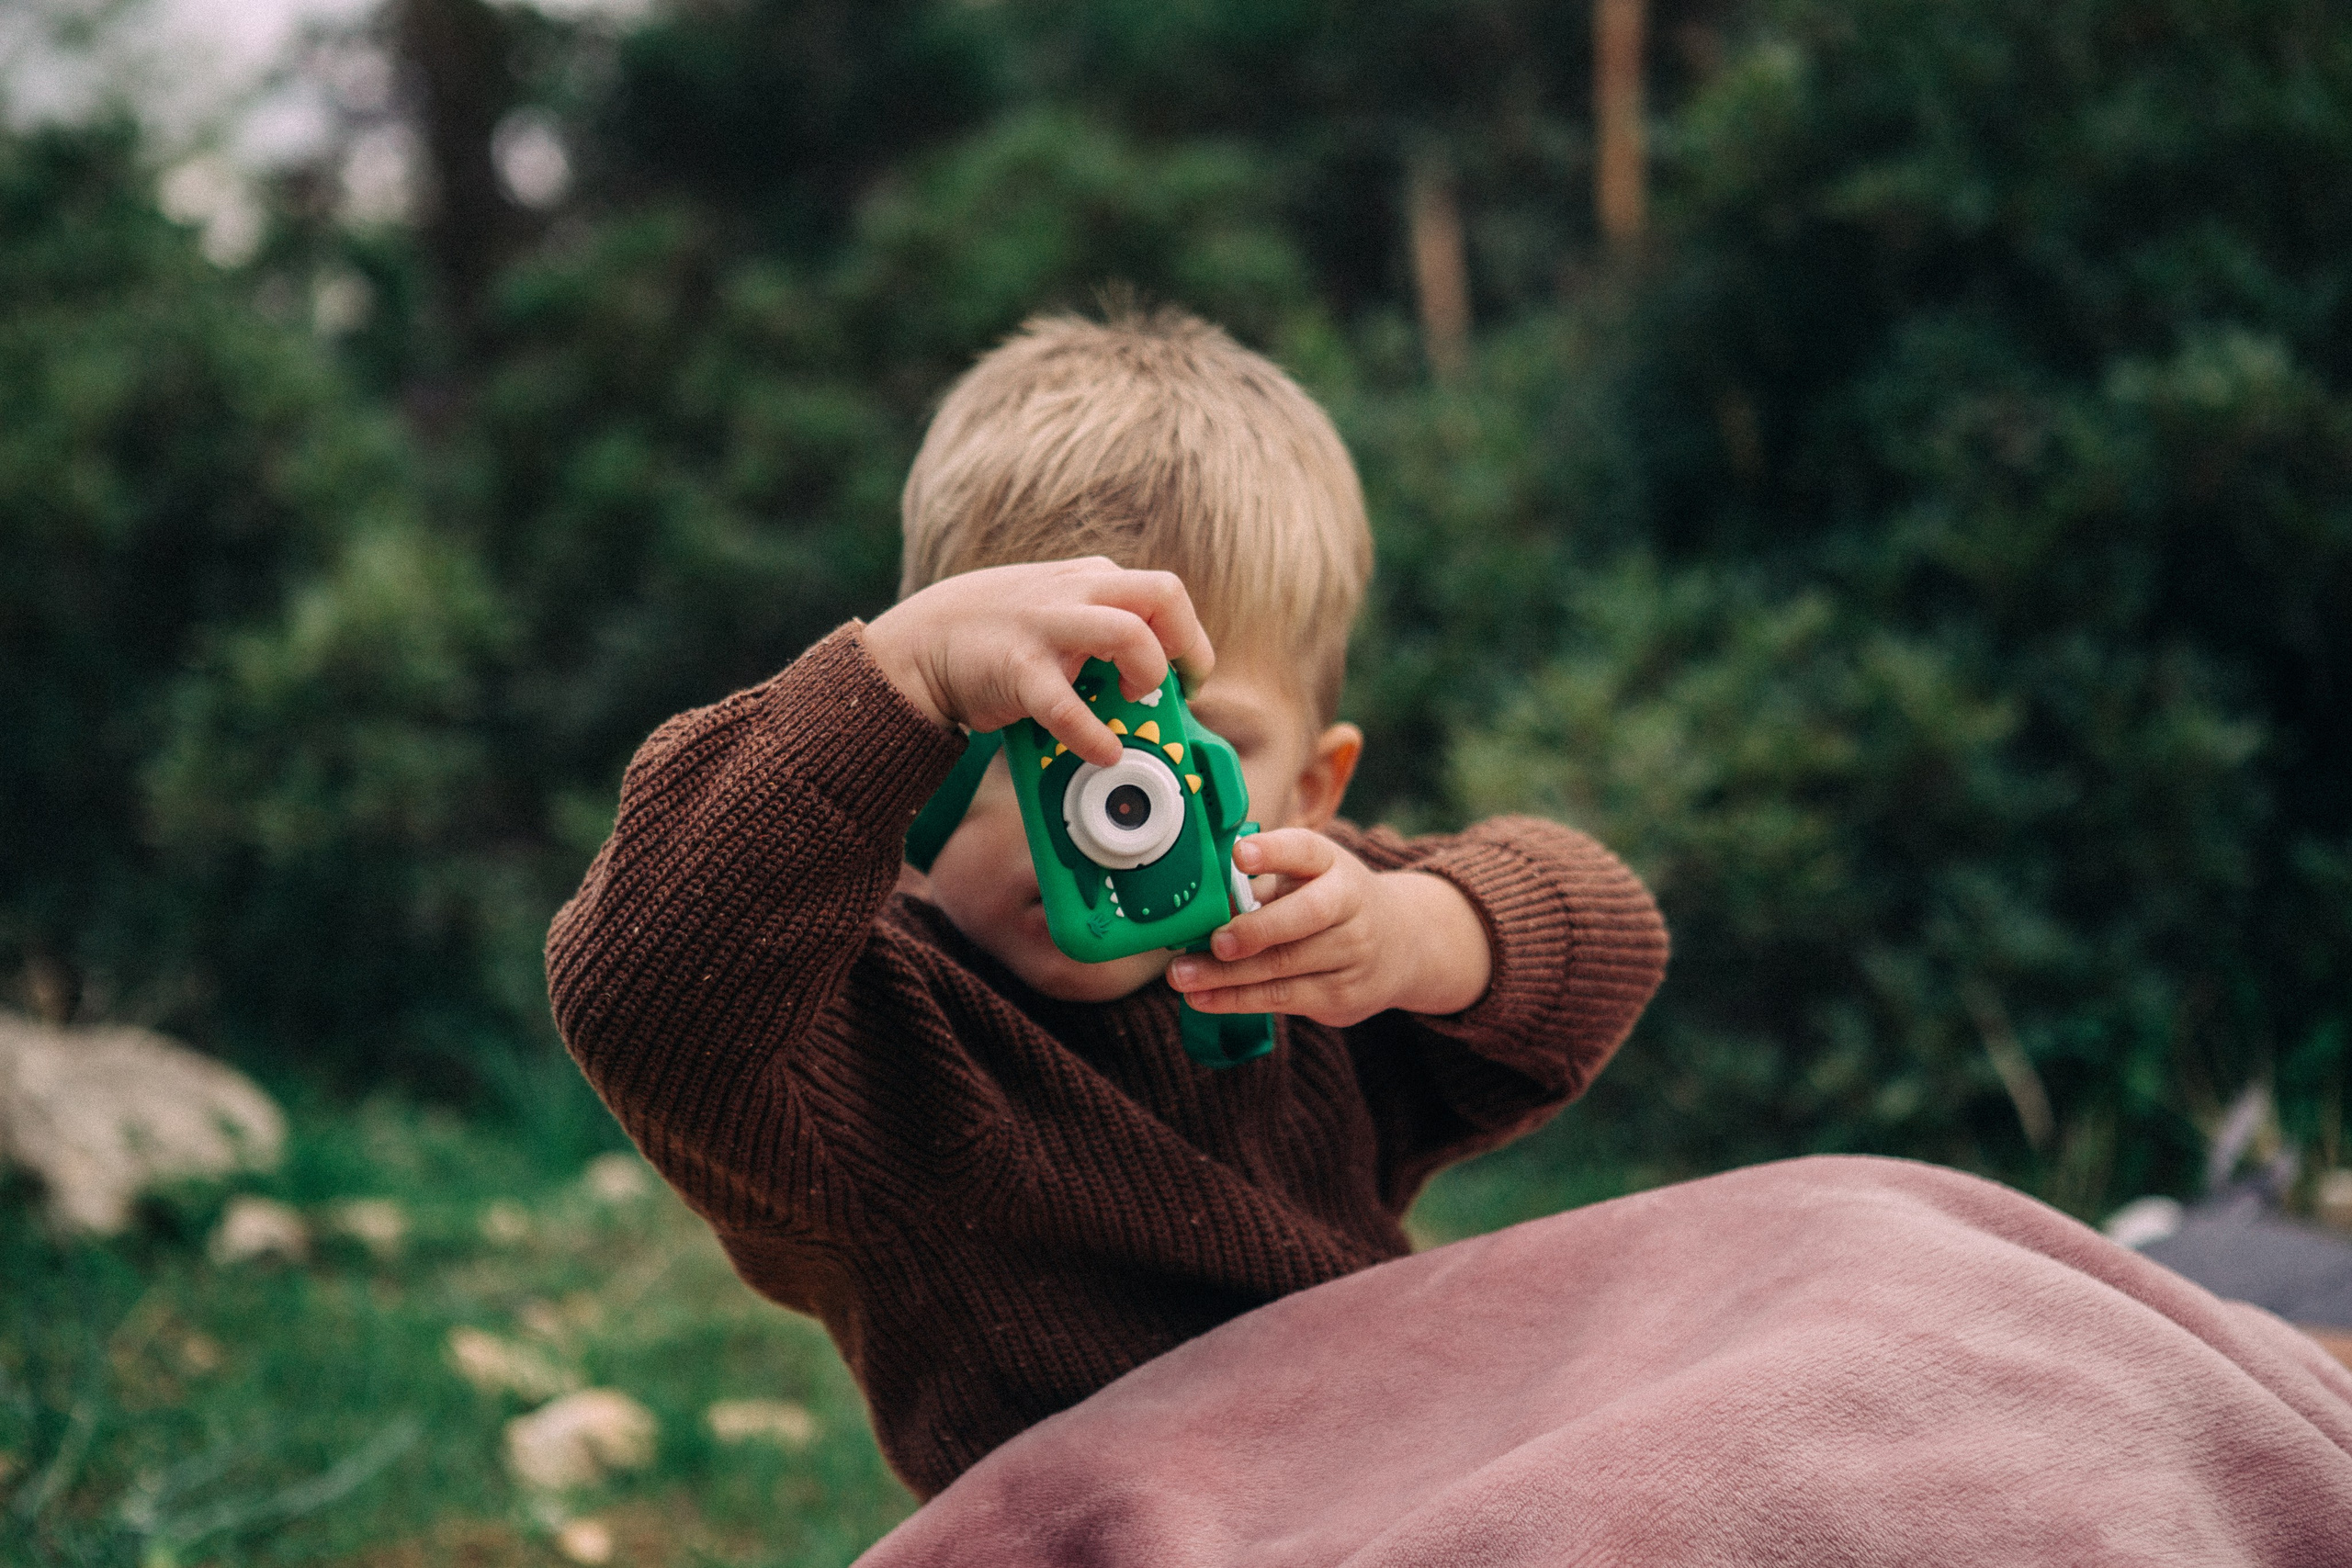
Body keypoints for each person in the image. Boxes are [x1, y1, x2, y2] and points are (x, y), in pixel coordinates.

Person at [544, 306, 1671, 1501]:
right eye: (1036, 740)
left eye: (1186, 750)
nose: (1102, 810)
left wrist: (1428, 935)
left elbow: (1612, 940)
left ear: (1307, 788)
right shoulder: (879, 1039)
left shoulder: (1314, 938)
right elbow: (636, 993)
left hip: (1399, 1493)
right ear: (915, 775)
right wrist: (896, 679)